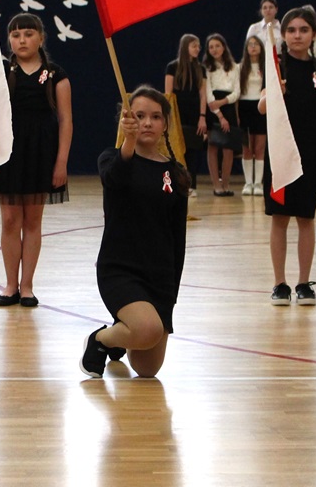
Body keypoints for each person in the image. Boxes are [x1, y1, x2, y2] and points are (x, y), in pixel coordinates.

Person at [80, 86, 189, 379]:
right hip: (120, 270)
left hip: (159, 277)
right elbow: (116, 179)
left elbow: (178, 240)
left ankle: (124, 331)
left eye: (155, 116)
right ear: (126, 121)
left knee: (146, 369)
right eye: (139, 116)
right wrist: (128, 142)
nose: (147, 123)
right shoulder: (111, 159)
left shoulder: (177, 174)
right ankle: (101, 339)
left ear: (165, 124)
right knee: (147, 330)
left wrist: (171, 296)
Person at [0, 13, 73, 308]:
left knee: (33, 220)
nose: (22, 40)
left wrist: (61, 162)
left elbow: (66, 120)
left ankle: (27, 286)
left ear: (41, 38)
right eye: (15, 35)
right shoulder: (1, 71)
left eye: (28, 34)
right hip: (7, 154)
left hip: (41, 153)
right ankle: (10, 285)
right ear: (9, 40)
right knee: (10, 220)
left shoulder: (57, 75)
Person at [259, 7, 316, 306]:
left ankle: (304, 283)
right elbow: (261, 108)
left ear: (313, 34)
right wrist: (273, 93)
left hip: (311, 153)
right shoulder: (276, 66)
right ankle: (280, 284)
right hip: (280, 152)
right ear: (284, 34)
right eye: (291, 30)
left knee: (306, 217)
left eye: (303, 30)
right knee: (280, 218)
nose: (297, 35)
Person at [164, 34, 207, 196]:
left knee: (193, 150)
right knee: (177, 149)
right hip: (177, 114)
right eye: (194, 46)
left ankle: (191, 184)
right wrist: (168, 117)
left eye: (198, 46)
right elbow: (168, 94)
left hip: (194, 114)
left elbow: (203, 94)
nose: (198, 49)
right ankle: (176, 183)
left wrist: (202, 116)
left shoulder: (200, 69)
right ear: (185, 47)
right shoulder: (172, 67)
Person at [203, 33, 241, 196]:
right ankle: (216, 185)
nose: (214, 49)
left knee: (228, 148)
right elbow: (208, 94)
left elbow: (237, 91)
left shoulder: (234, 67)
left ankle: (225, 183)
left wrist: (223, 102)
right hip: (213, 109)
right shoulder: (206, 68)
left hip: (228, 105)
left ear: (224, 47)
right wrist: (219, 114)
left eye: (217, 46)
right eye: (211, 47)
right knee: (213, 146)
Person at [236, 35, 267, 196]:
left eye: (256, 44)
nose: (253, 47)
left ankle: (258, 183)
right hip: (245, 107)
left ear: (261, 47)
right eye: (250, 44)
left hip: (261, 107)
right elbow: (237, 93)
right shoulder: (240, 67)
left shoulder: (266, 67)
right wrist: (237, 114)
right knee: (247, 147)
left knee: (260, 147)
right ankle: (248, 183)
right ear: (246, 48)